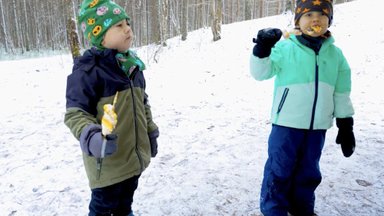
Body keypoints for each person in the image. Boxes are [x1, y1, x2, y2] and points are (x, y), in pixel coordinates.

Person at [249, 0, 355, 215]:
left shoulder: (336, 55)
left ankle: (302, 209)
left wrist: (346, 124)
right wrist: (262, 49)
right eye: (308, 15)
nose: (315, 20)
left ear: (329, 21)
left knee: (308, 172)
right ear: (298, 20)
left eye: (321, 15)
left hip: (317, 127)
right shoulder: (285, 47)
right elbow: (261, 73)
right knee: (280, 170)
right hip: (286, 124)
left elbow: (342, 92)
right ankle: (274, 210)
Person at [64, 0, 159, 215]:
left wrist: (150, 131)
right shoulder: (88, 71)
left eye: (128, 23)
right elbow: (75, 114)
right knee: (103, 208)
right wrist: (92, 137)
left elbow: (142, 102)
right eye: (118, 25)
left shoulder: (132, 66)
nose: (128, 29)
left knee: (125, 202)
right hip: (107, 165)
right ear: (100, 35)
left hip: (133, 159)